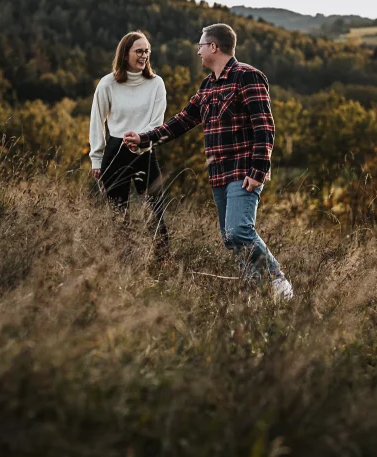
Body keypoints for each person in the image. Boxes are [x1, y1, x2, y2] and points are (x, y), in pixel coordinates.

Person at [124, 23, 293, 301]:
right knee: (230, 237)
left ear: (214, 47)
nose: (198, 51)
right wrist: (144, 139)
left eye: (201, 46)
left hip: (244, 169)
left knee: (240, 229)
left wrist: (259, 169)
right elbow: (182, 121)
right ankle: (256, 291)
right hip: (218, 174)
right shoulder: (207, 86)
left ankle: (277, 281)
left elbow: (265, 126)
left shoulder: (248, 77)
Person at [89, 31, 170, 251]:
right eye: (139, 51)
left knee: (156, 211)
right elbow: (97, 120)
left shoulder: (156, 84)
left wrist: (141, 139)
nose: (144, 56)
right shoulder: (107, 84)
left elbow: (157, 122)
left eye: (147, 51)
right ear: (125, 54)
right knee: (118, 214)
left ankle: (162, 260)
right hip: (115, 152)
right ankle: (122, 262)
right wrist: (96, 159)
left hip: (145, 150)